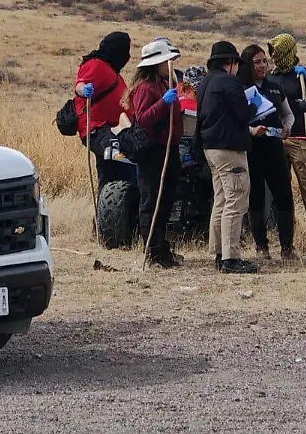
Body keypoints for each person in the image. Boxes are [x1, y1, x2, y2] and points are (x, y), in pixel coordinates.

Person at [194, 41, 261, 275]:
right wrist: (254, 106)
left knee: (221, 199)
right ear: (231, 63)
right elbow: (242, 114)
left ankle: (219, 252)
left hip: (210, 148)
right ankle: (231, 258)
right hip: (229, 148)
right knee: (236, 200)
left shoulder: (205, 83)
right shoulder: (229, 82)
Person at [238, 45, 299, 261]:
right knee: (255, 198)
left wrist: (287, 127)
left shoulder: (275, 88)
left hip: (274, 147)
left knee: (283, 195)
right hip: (252, 149)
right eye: (257, 62)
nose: (262, 65)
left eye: (264, 61)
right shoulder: (238, 88)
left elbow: (288, 115)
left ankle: (287, 248)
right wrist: (251, 130)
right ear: (247, 64)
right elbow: (233, 121)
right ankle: (261, 247)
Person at [127, 39, 184, 267]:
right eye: (168, 60)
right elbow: (144, 118)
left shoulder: (164, 83)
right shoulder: (145, 88)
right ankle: (151, 250)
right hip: (152, 152)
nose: (171, 63)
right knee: (152, 200)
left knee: (166, 199)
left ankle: (161, 248)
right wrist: (164, 102)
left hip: (168, 149)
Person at [268, 34, 306, 220]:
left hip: (300, 137)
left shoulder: (303, 76)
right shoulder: (270, 78)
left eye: (277, 51)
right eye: (272, 52)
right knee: (279, 185)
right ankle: (281, 227)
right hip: (276, 137)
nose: (274, 56)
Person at [73, 32, 131, 188]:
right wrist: (84, 90)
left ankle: (106, 208)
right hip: (96, 128)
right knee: (118, 152)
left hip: (111, 129)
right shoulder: (96, 64)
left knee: (109, 174)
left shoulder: (111, 70)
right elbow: (80, 84)